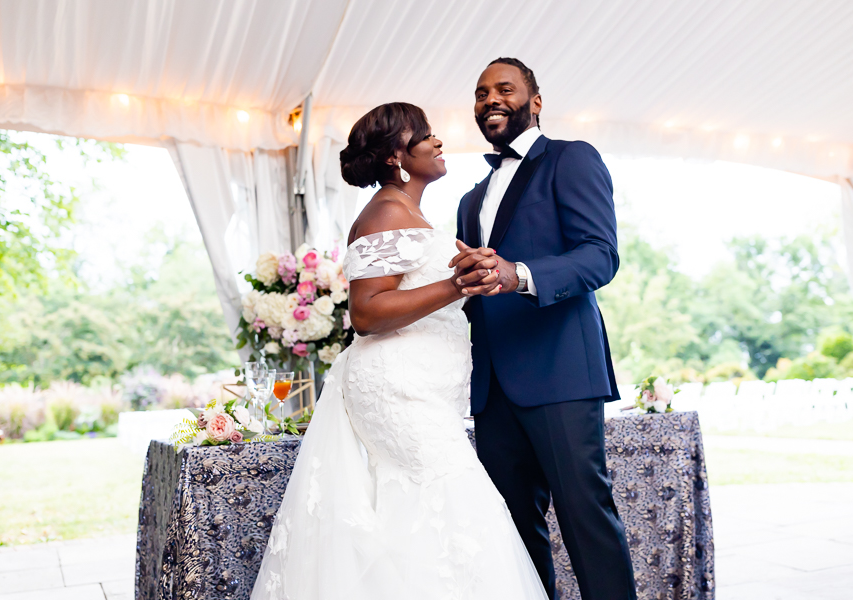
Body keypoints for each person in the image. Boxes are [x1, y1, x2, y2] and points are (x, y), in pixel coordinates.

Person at [250, 102, 548, 600]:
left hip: (422, 390)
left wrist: (470, 274)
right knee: (453, 506)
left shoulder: (410, 212)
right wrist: (457, 284)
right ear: (396, 156)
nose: (438, 142)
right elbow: (367, 313)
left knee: (420, 516)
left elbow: (423, 288)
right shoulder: (387, 210)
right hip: (397, 389)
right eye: (426, 135)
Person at [452, 58, 637, 600]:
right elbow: (474, 293)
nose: (491, 99)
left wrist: (520, 274)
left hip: (559, 372)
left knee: (586, 519)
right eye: (482, 92)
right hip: (491, 388)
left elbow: (600, 256)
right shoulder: (470, 200)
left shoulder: (571, 159)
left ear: (535, 101)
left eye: (504, 89)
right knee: (511, 534)